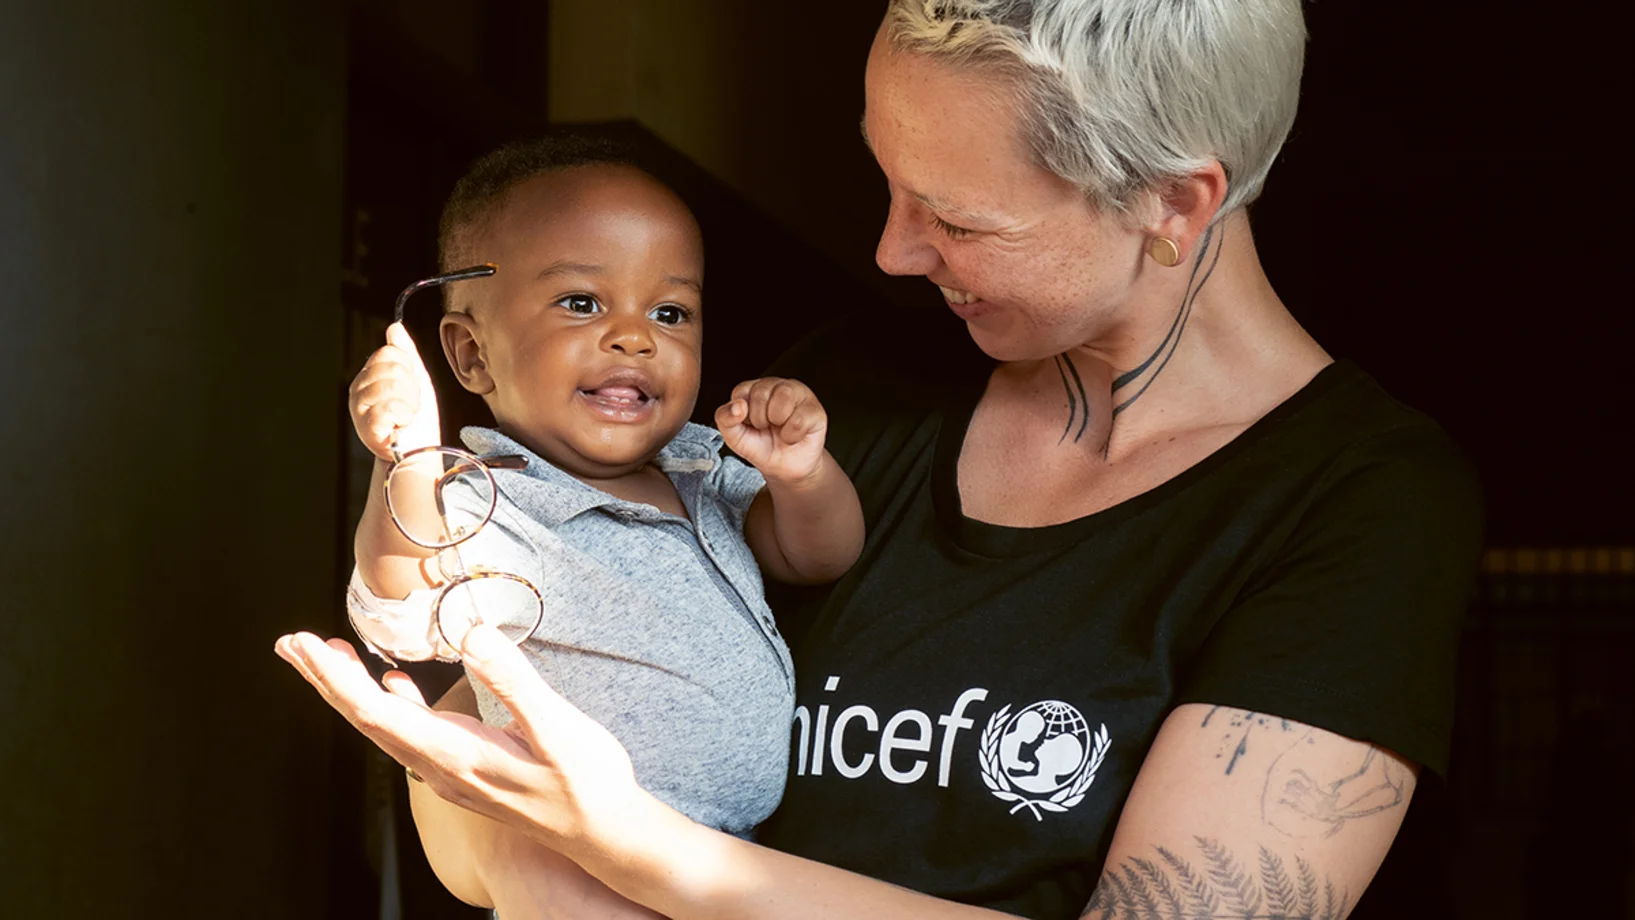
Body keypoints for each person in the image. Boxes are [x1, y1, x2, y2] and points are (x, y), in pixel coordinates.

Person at [277, 2, 1483, 918]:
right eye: (889, 181)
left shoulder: (1356, 505)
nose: (894, 250)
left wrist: (653, 859)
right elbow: (481, 733)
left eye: (958, 218)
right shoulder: (838, 393)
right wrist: (533, 856)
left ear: (1175, 203)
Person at [341, 135, 864, 912]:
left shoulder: (704, 469)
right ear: (473, 355)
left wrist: (801, 474)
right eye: (582, 302)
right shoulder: (497, 503)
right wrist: (405, 458)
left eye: (670, 310)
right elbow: (405, 611)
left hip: (719, 867)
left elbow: (816, 555)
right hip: (577, 873)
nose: (635, 335)